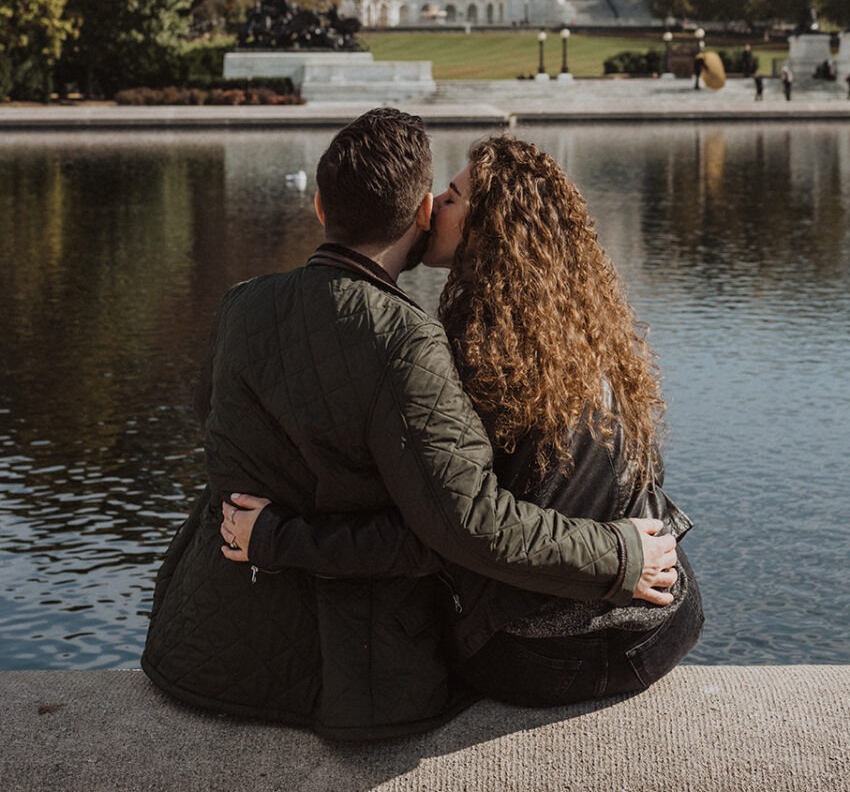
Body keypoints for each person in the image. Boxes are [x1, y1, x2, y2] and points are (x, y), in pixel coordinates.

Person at [142, 109, 679, 743]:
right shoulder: (446, 340)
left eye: (457, 197)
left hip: (201, 638)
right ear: (420, 213)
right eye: (442, 197)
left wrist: (285, 521)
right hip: (371, 663)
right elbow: (457, 528)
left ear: (318, 206)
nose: (444, 205)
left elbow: (219, 424)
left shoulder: (242, 304)